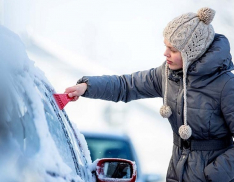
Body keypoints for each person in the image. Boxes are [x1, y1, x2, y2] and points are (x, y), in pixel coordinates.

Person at [65, 7, 234, 182]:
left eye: (173, 50)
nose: (165, 53)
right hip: (178, 172)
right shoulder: (167, 74)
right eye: (166, 46)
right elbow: (126, 85)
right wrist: (87, 87)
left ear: (192, 53)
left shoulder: (226, 85)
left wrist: (216, 174)